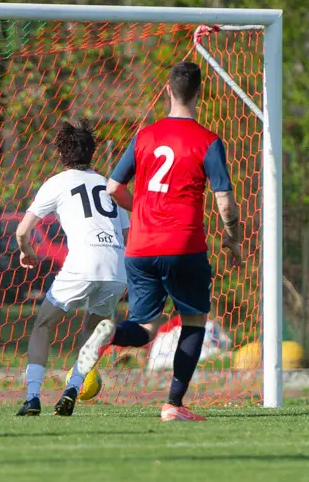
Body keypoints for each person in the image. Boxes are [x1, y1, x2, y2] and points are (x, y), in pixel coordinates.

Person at [80, 61, 242, 422]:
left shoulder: (144, 136)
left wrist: (141, 210)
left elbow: (113, 187)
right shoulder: (208, 141)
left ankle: (110, 333)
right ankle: (173, 404)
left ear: (168, 90)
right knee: (194, 321)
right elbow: (225, 203)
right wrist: (232, 239)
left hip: (140, 248)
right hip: (183, 246)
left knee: (144, 329)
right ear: (199, 93)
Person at [15, 120, 129, 417]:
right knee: (92, 334)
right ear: (92, 153)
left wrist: (27, 252)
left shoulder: (56, 183)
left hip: (83, 262)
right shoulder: (110, 184)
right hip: (116, 268)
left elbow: (22, 231)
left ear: (61, 153)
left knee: (43, 324)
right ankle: (72, 390)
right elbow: (127, 234)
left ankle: (32, 398)